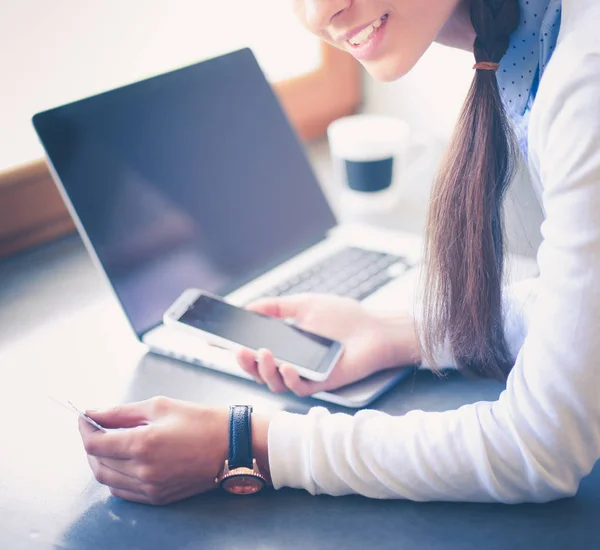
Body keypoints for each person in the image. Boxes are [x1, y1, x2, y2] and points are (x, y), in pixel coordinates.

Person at [79, 0, 600, 505]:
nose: (316, 13)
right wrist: (410, 332)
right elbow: (578, 323)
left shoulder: (584, 75)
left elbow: (540, 445)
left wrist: (250, 446)